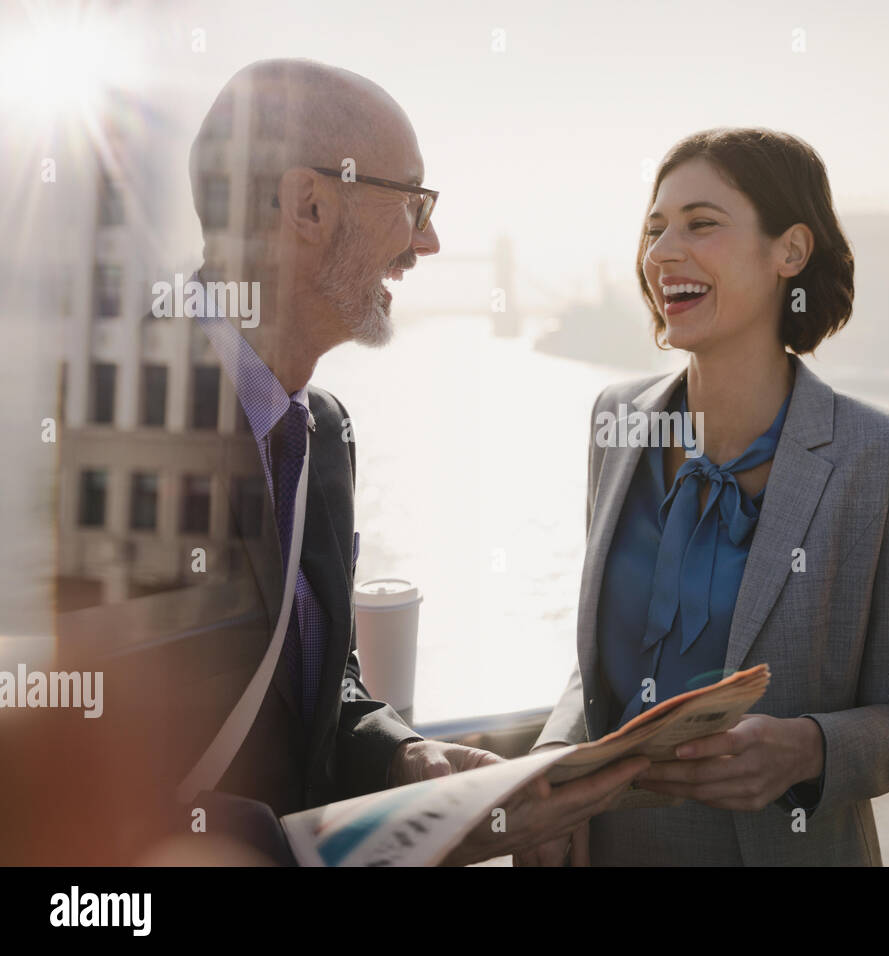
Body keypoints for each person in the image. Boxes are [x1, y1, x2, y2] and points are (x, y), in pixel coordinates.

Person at [49, 58, 644, 865]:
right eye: (412, 202)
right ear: (310, 205)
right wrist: (360, 843)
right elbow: (67, 781)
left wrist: (401, 754)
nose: (429, 241)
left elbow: (311, 686)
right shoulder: (92, 426)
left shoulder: (323, 431)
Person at [521, 128, 889, 866]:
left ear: (790, 252)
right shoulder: (615, 423)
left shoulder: (886, 456)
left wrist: (805, 750)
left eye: (701, 223)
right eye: (654, 229)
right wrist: (554, 770)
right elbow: (596, 671)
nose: (660, 253)